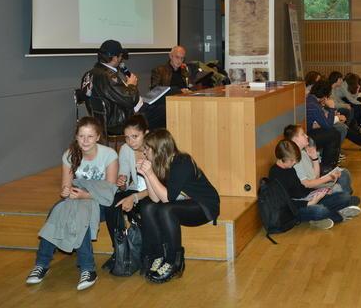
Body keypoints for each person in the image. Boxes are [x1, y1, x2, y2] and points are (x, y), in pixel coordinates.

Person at [26, 117, 118, 291]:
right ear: (76, 136)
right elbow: (66, 186)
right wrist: (65, 192)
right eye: (81, 136)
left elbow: (110, 191)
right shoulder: (69, 155)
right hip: (77, 198)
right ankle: (42, 264)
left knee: (79, 214)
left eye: (90, 136)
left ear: (98, 137)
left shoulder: (109, 155)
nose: (85, 141)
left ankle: (87, 268)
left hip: (101, 202)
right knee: (57, 210)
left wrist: (86, 195)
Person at [137, 129, 220, 283]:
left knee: (166, 210)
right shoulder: (160, 163)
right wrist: (146, 174)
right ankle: (158, 255)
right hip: (181, 203)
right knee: (147, 206)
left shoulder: (182, 161)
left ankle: (174, 261)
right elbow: (155, 198)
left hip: (203, 205)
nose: (144, 152)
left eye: (147, 149)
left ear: (158, 150)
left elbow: (166, 199)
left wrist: (150, 174)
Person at [269, 139, 361, 230]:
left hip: (307, 198)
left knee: (345, 197)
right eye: (292, 160)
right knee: (320, 211)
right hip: (295, 208)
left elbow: (300, 189)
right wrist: (309, 203)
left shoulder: (290, 168)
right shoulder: (275, 175)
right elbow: (285, 203)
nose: (294, 163)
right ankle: (339, 215)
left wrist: (318, 192)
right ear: (282, 158)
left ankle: (323, 217)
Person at [80, 39, 165, 132]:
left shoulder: (88, 74)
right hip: (122, 121)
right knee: (166, 111)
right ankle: (152, 140)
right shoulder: (108, 76)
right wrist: (131, 85)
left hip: (105, 120)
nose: (121, 59)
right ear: (115, 58)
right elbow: (130, 100)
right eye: (120, 56)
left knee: (159, 106)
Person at [102, 114, 152, 272]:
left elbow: (159, 187)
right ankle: (119, 249)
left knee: (147, 208)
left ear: (146, 133)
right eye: (127, 137)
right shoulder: (125, 149)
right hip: (135, 189)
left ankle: (148, 254)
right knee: (112, 202)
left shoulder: (155, 148)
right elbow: (124, 182)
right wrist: (121, 182)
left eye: (135, 136)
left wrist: (133, 197)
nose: (131, 141)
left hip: (153, 192)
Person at [284, 124, 354, 195]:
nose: (306, 136)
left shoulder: (303, 152)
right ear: (295, 139)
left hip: (315, 184)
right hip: (310, 191)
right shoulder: (295, 159)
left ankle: (347, 197)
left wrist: (314, 158)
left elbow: (316, 177)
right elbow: (307, 184)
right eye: (303, 134)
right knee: (340, 182)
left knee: (344, 173)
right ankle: (347, 198)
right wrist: (329, 178)